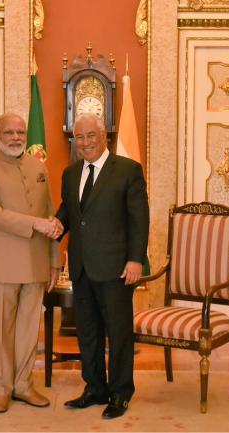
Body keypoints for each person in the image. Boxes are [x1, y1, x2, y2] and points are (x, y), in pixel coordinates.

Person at [55, 113, 149, 419]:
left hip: (116, 267)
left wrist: (135, 259)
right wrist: (56, 225)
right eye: (79, 137)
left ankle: (120, 393)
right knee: (88, 333)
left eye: (91, 135)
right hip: (82, 267)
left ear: (104, 135)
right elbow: (70, 211)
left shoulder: (128, 170)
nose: (85, 143)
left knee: (118, 334)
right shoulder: (70, 173)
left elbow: (139, 219)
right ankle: (95, 388)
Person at [0, 112, 62, 413]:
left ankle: (23, 385)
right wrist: (35, 223)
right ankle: (0, 389)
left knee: (27, 331)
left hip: (35, 262)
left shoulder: (38, 166)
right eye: (9, 132)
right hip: (1, 263)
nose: (16, 138)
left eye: (20, 132)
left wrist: (55, 260)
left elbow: (49, 214)